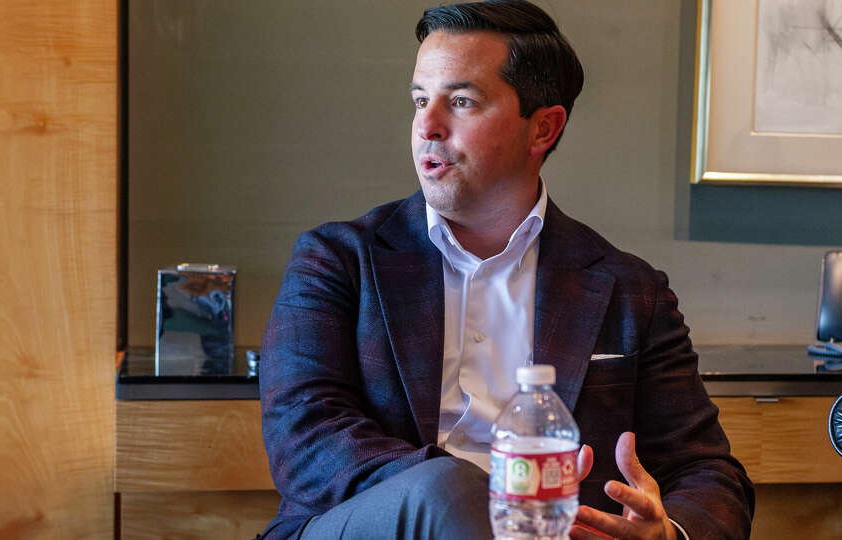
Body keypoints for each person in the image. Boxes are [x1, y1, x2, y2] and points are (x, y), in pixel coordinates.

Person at [258, 1, 754, 539]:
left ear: (543, 128)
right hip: (370, 527)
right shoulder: (336, 260)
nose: (427, 125)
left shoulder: (631, 290)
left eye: (462, 101)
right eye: (420, 100)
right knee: (441, 490)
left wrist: (667, 533)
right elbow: (305, 439)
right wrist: (497, 500)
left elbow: (708, 472)